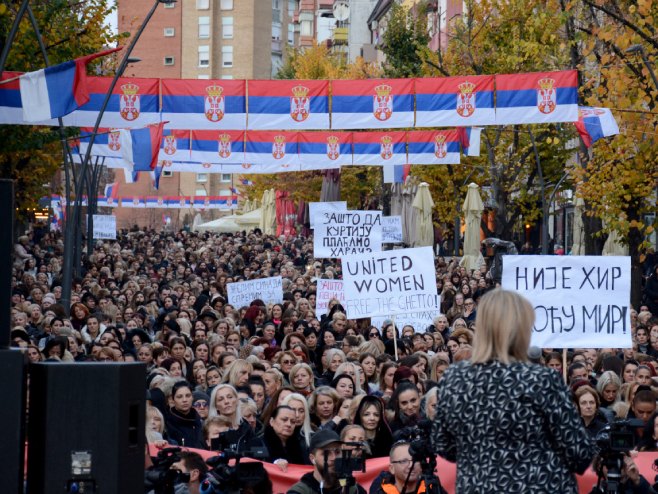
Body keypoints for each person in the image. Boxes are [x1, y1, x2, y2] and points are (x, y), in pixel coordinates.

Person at [431, 289, 596, 493]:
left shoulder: (454, 378)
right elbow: (579, 454)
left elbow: (443, 444)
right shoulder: (542, 379)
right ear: (521, 328)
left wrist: (480, 456)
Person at [287, 430, 367, 494]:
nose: (334, 458)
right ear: (312, 459)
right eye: (326, 453)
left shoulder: (351, 488)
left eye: (337, 452)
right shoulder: (300, 491)